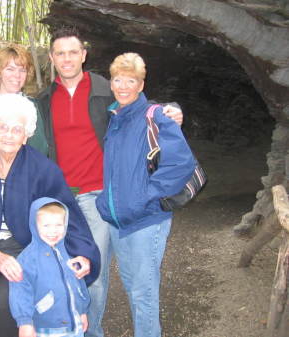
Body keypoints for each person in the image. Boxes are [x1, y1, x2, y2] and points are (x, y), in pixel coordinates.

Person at [36, 26, 184, 337]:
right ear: (51, 58)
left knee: (97, 273)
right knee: (79, 272)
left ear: (83, 55)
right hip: (63, 200)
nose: (67, 58)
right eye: (60, 53)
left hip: (98, 195)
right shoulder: (44, 100)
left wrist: (173, 111)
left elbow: (137, 104)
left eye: (73, 52)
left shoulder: (105, 89)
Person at [0, 94, 100, 337]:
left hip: (28, 250)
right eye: (3, 127)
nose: (8, 135)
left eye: (16, 129)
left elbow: (68, 216)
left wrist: (84, 254)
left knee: (0, 305)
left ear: (26, 134)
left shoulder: (44, 170)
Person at [95, 52, 196, 337]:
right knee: (133, 289)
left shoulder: (155, 116)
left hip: (146, 221)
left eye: (131, 80)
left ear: (141, 85)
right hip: (119, 222)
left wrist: (143, 198)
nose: (123, 85)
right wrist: (107, 203)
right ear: (111, 83)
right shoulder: (115, 117)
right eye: (117, 79)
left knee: (144, 295)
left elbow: (180, 164)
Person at [9, 197, 90, 337]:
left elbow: (78, 283)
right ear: (35, 225)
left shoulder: (69, 253)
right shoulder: (27, 259)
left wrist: (82, 311)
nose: (53, 231)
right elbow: (20, 292)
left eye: (58, 225)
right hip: (46, 328)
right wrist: (25, 322)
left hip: (74, 324)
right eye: (46, 226)